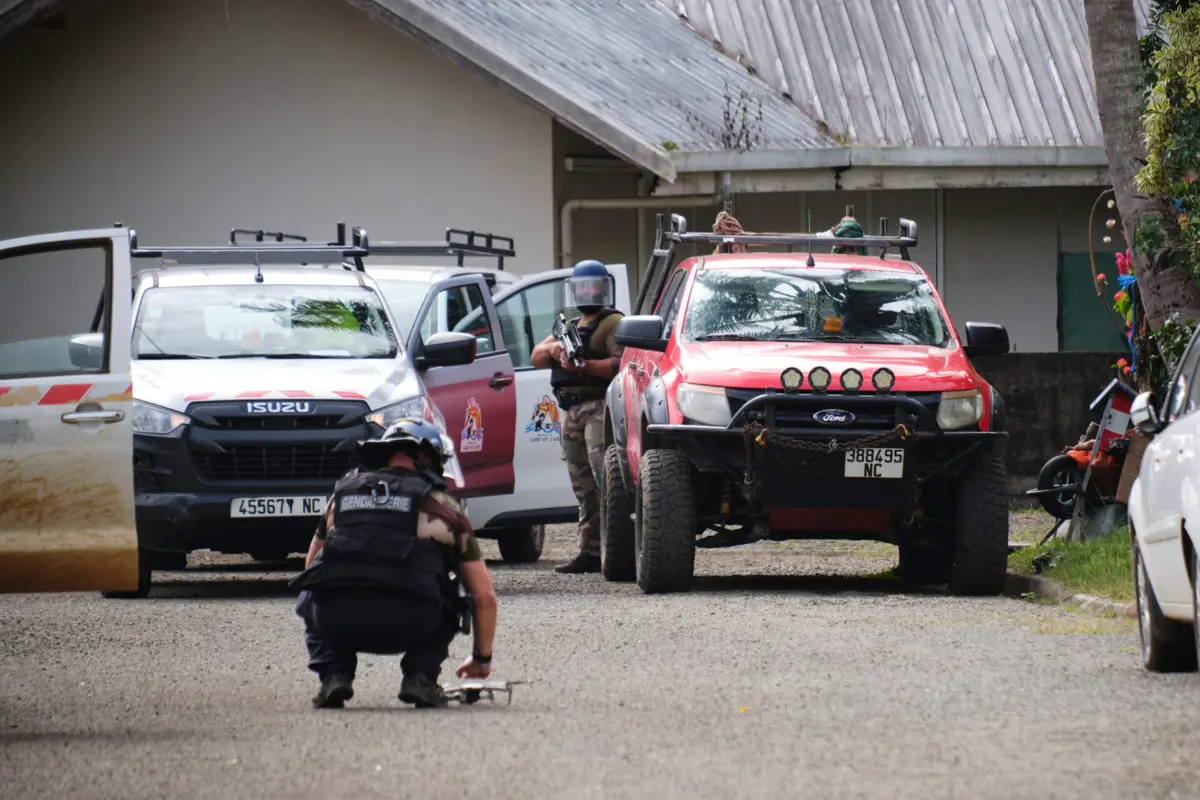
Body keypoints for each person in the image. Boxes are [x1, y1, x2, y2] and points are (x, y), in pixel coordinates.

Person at [290, 418, 498, 709]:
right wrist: (481, 660)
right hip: (413, 621)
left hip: (337, 621)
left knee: (313, 590)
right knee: (454, 593)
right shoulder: (443, 507)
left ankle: (334, 675)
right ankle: (420, 678)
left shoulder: (341, 498)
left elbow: (311, 566)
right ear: (427, 457)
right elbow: (484, 596)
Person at [529, 260, 625, 574]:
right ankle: (589, 551)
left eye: (592, 285)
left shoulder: (614, 323)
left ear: (603, 288)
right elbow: (535, 356)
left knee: (604, 479)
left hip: (598, 406)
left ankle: (618, 549)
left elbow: (619, 364)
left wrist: (584, 367)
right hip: (570, 410)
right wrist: (557, 348)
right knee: (582, 485)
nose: (586, 291)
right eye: (581, 286)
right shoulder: (569, 326)